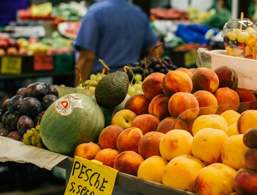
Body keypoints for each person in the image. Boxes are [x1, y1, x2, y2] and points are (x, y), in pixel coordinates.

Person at [74, 0, 158, 84]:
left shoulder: (96, 12)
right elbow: (155, 49)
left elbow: (87, 57)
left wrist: (78, 89)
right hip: (130, 83)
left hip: (101, 83)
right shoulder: (139, 14)